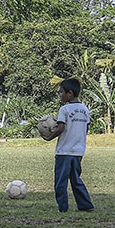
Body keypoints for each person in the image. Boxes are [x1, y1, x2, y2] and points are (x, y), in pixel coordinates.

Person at [44, 77, 94, 213]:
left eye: (61, 92)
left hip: (64, 151)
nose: (60, 95)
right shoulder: (85, 110)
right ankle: (86, 205)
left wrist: (49, 137)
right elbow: (86, 127)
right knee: (76, 179)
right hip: (78, 151)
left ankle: (63, 208)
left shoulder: (64, 109)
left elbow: (61, 128)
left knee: (61, 181)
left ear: (70, 93)